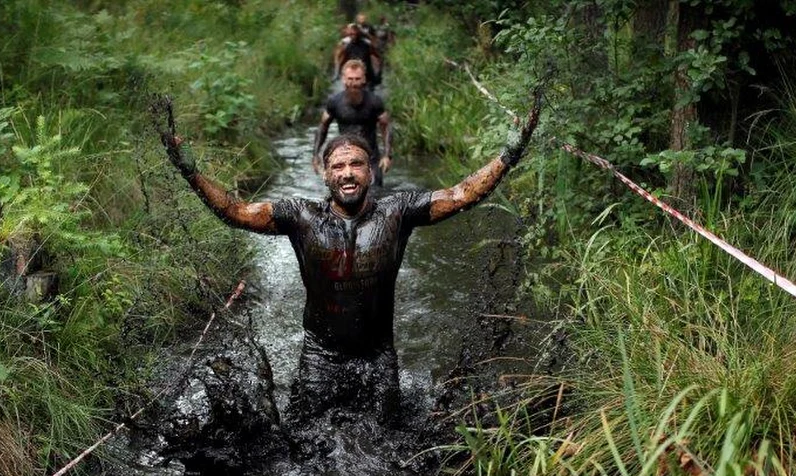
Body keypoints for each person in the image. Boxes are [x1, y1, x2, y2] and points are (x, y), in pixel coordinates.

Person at [155, 92, 540, 426]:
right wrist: (189, 170)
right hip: (320, 356)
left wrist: (509, 153)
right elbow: (237, 212)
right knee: (301, 445)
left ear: (370, 172)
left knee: (390, 445)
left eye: (356, 164)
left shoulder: (398, 211)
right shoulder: (301, 216)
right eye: (338, 166)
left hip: (378, 356)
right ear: (325, 176)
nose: (348, 173)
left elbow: (460, 195)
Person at [313, 59, 391, 187]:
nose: (353, 83)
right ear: (343, 79)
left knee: (375, 191)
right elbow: (323, 127)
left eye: (357, 79)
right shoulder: (334, 102)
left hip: (371, 157)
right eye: (350, 79)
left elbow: (386, 127)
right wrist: (315, 155)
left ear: (364, 79)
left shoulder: (375, 102)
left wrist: (387, 155)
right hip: (345, 155)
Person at [332, 21, 382, 87]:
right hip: (351, 73)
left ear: (359, 34)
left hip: (366, 75)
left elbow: (377, 57)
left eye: (355, 34)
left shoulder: (367, 45)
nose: (353, 36)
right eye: (351, 34)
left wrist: (378, 73)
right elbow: (339, 58)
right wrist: (337, 72)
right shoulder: (346, 45)